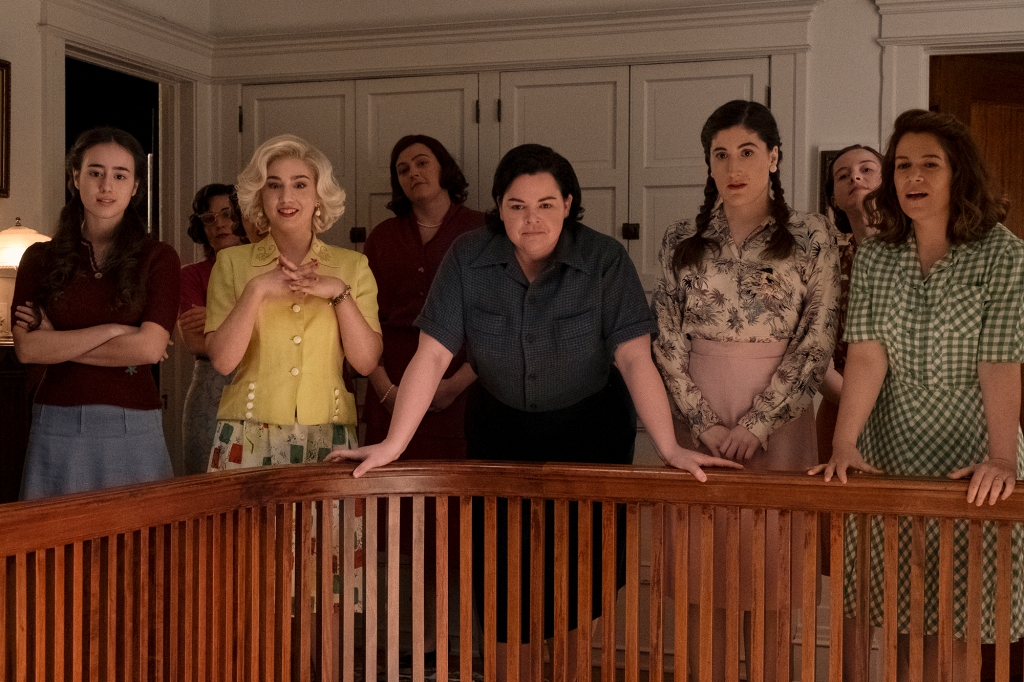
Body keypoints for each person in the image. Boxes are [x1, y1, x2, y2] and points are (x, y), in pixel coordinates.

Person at [333, 143, 739, 681]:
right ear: (498, 207)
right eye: (518, 205)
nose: (532, 218)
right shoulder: (467, 256)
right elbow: (431, 355)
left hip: (589, 430)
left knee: (583, 575)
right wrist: (393, 445)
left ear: (568, 203)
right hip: (500, 428)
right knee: (499, 578)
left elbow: (635, 357)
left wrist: (668, 447)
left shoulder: (603, 259)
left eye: (546, 203)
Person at [810, 109, 1024, 680]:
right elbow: (866, 355)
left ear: (959, 174)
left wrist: (1002, 458)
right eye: (902, 165)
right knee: (892, 609)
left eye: (929, 164)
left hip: (971, 448)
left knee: (957, 616)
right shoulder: (879, 255)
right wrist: (846, 442)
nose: (912, 176)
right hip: (891, 445)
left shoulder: (1002, 254)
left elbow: (1000, 361)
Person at [651, 100, 840, 679]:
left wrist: (757, 424)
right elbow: (664, 339)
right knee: (696, 574)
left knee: (773, 576)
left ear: (774, 157)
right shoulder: (682, 236)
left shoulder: (811, 235)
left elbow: (818, 338)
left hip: (779, 425)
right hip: (697, 419)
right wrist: (703, 423)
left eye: (748, 152)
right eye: (721, 154)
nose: (734, 166)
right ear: (708, 163)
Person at [363, 135, 484, 664]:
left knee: (457, 520)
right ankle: (407, 645)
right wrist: (386, 387)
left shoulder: (481, 228)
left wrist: (455, 383)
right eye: (403, 167)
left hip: (466, 386)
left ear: (444, 168)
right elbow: (362, 321)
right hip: (387, 379)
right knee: (395, 522)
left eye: (422, 162)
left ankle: (472, 644)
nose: (413, 173)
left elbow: (500, 315)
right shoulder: (383, 237)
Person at [11, 127, 179, 499]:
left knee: (139, 550)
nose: (107, 185)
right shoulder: (39, 258)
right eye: (95, 172)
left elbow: (149, 350)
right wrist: (115, 331)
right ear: (75, 177)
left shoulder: (159, 258)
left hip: (133, 421)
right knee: (53, 547)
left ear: (135, 187)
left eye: (120, 175)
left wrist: (57, 342)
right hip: (57, 418)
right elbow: (28, 350)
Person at [205, 133, 382, 471]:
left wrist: (338, 292)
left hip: (328, 433)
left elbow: (365, 364)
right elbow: (224, 362)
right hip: (246, 431)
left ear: (319, 196)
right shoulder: (231, 263)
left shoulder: (352, 267)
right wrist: (257, 290)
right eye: (274, 185)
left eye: (300, 184)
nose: (286, 196)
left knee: (326, 527)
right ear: (260, 196)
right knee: (247, 527)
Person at [815, 145, 884, 573]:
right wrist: (858, 404)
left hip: (915, 411)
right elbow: (814, 353)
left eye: (866, 170)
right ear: (834, 198)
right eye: (843, 175)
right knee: (847, 553)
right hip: (841, 408)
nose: (855, 178)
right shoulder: (826, 260)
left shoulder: (923, 251)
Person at [178, 183, 246, 475]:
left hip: (262, 388)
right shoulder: (191, 275)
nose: (219, 223)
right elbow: (195, 341)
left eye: (227, 214)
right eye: (209, 218)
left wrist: (216, 319)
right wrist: (254, 325)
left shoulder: (268, 268)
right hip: (210, 393)